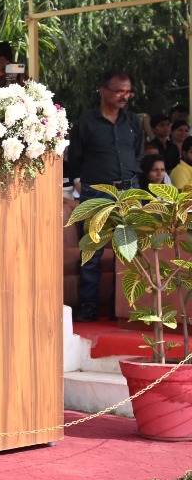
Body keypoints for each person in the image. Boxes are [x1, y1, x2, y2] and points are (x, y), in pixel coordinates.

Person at [65, 71, 143, 322]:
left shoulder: (133, 121)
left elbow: (138, 154)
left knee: (132, 249)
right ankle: (89, 305)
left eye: (128, 91)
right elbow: (74, 158)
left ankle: (126, 306)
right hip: (96, 192)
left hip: (130, 190)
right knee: (92, 250)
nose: (124, 96)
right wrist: (81, 183)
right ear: (103, 90)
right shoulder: (87, 123)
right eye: (119, 91)